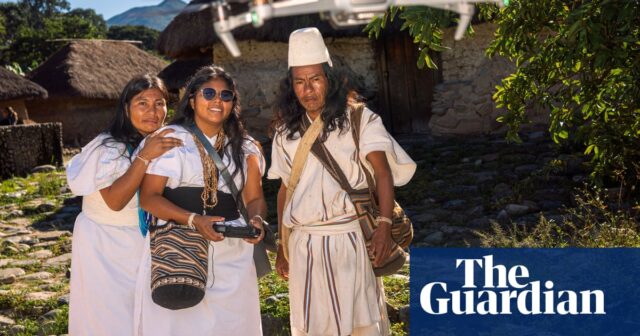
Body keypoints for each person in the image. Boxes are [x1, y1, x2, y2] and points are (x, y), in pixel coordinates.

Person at [268, 27, 416, 336]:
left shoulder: (360, 119)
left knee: (360, 324)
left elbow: (383, 173)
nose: (308, 90)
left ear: (330, 80)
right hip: (304, 244)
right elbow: (285, 189)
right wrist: (283, 245)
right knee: (313, 326)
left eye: (315, 80)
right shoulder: (285, 133)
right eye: (300, 82)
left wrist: (384, 227)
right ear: (291, 86)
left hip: (350, 238)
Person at [135, 65, 266, 335]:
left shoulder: (246, 147)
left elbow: (254, 197)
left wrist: (256, 219)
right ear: (192, 100)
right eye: (209, 93)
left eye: (225, 95)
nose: (217, 100)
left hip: (232, 252)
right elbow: (149, 198)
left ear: (233, 103)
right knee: (180, 327)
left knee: (232, 326)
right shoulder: (170, 139)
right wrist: (194, 220)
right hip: (179, 249)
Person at [66, 74, 182, 335]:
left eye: (159, 103)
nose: (152, 111)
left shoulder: (161, 141)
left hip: (142, 242)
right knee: (111, 318)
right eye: (142, 103)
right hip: (105, 244)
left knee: (146, 317)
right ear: (126, 107)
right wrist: (143, 157)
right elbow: (115, 201)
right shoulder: (108, 147)